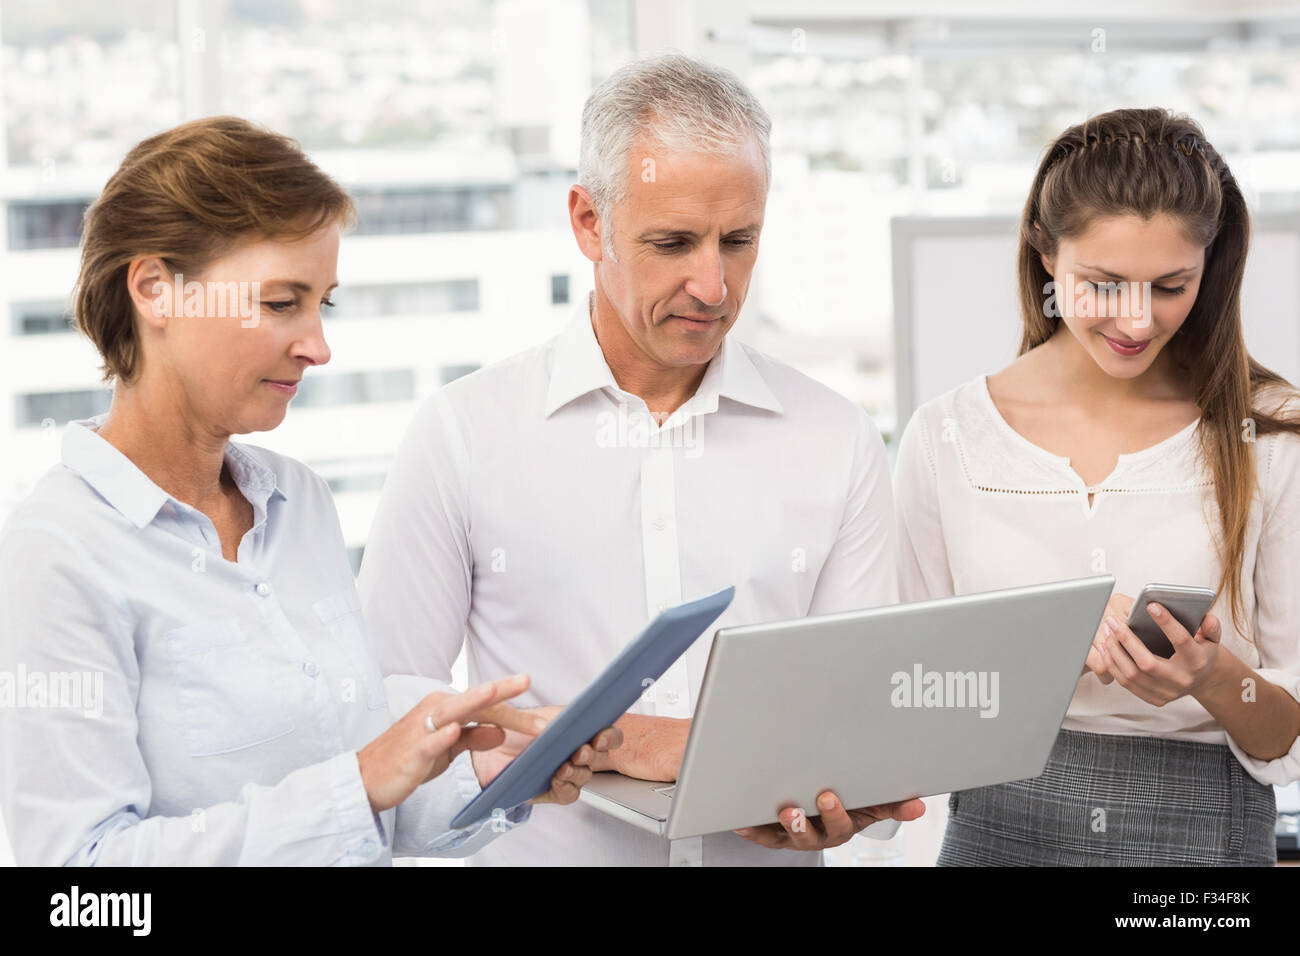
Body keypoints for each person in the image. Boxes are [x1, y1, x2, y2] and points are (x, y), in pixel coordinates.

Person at [0, 116, 620, 866]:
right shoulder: (56, 558)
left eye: (322, 303)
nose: (318, 347)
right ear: (155, 290)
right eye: (280, 302)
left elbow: (365, 806)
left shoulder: (298, 504)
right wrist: (357, 785)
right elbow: (80, 888)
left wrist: (494, 774)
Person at [357, 53, 925, 867]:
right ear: (589, 222)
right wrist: (521, 751)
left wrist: (841, 797)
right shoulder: (463, 434)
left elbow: (872, 712)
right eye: (673, 242)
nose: (714, 284)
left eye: (740, 241)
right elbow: (388, 698)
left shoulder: (834, 437)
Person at [894, 107, 1300, 865]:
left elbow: (1283, 731)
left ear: (1209, 267)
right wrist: (1046, 644)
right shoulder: (946, 436)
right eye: (1104, 285)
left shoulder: (1270, 434)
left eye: (1171, 285)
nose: (1136, 321)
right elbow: (913, 704)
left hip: (1206, 840)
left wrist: (1211, 675)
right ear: (1046, 255)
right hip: (996, 830)